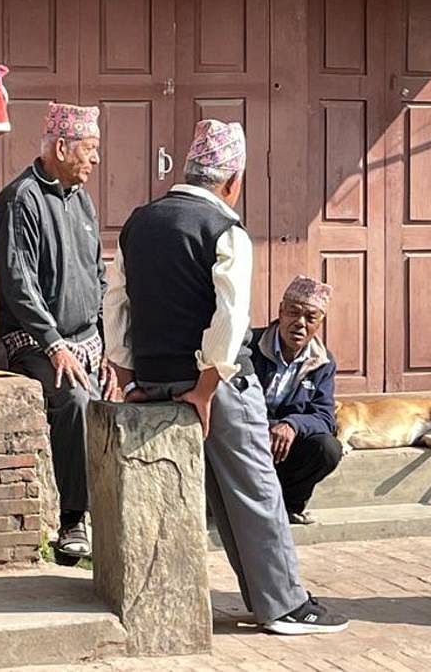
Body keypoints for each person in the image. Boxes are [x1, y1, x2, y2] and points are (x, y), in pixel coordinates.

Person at [104, 119, 348, 636]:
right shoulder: (225, 231)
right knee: (255, 491)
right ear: (232, 179)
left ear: (188, 169)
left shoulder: (138, 223)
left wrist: (129, 376)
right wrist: (207, 388)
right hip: (212, 384)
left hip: (153, 379)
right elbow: (231, 319)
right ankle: (283, 604)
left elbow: (116, 301)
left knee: (220, 494)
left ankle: (268, 600)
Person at [0, 102, 115, 558]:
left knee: (112, 404)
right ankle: (72, 522)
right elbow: (18, 281)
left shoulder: (81, 200)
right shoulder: (20, 199)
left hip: (86, 341)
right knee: (75, 402)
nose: (96, 159)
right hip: (36, 342)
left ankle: (107, 512)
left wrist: (107, 347)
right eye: (90, 149)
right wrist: (54, 344)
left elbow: (98, 277)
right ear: (61, 147)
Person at [250, 276, 342, 526]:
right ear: (281, 311)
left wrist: (292, 424)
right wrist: (266, 426)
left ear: (319, 323)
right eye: (293, 313)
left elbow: (325, 417)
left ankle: (289, 506)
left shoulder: (323, 362)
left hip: (283, 448)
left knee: (328, 448)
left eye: (311, 318)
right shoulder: (249, 345)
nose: (300, 323)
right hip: (248, 437)